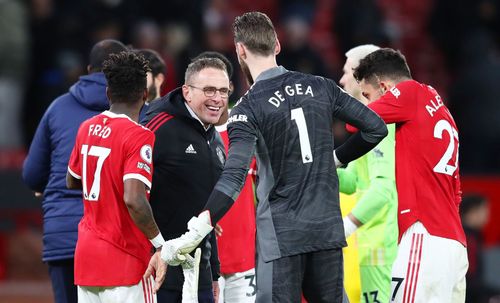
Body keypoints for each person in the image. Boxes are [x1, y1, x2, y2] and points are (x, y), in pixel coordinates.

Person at [159, 11, 388, 302]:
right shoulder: (321, 86)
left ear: (240, 50)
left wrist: (199, 226)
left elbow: (234, 176)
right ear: (277, 45)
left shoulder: (248, 108)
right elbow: (375, 128)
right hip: (326, 230)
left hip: (282, 236)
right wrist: (336, 159)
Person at [352, 48, 467, 302]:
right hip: (454, 244)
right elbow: (457, 191)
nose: (367, 102)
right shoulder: (440, 107)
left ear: (384, 87)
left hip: (425, 237)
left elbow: (357, 121)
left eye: (367, 95)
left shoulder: (409, 92)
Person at [22, 39, 128, 303]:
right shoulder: (138, 113)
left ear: (89, 68)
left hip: (64, 235)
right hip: (114, 238)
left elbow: (31, 175)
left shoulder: (57, 108)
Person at [66, 51, 166, 302]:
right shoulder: (139, 136)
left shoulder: (86, 127)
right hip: (126, 260)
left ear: (108, 94)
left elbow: (72, 180)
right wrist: (160, 243)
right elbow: (134, 199)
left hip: (87, 260)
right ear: (145, 94)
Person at [141, 57, 230, 303]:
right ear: (187, 92)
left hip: (199, 274)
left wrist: (214, 272)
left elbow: (206, 210)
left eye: (223, 91)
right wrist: (155, 247)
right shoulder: (157, 125)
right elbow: (130, 193)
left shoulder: (215, 138)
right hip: (159, 271)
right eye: (209, 90)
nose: (217, 99)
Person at [193, 51, 258, 303]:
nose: (214, 96)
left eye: (218, 88)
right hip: (202, 262)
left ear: (230, 87)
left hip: (244, 260)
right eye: (206, 88)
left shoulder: (248, 131)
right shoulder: (184, 135)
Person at [337, 44, 398, 303]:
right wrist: (315, 167)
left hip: (381, 249)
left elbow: (383, 189)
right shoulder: (366, 123)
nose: (340, 80)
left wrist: (344, 227)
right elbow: (354, 183)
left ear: (363, 76)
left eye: (347, 72)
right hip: (368, 247)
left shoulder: (380, 123)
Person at [460, 194, 489, 303]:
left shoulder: (475, 236)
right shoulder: (467, 238)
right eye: (484, 210)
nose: (487, 215)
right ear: (472, 213)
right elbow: (469, 275)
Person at [136, 48, 167, 121]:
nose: (135, 80)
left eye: (141, 75)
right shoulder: (125, 113)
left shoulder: (169, 117)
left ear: (159, 79)